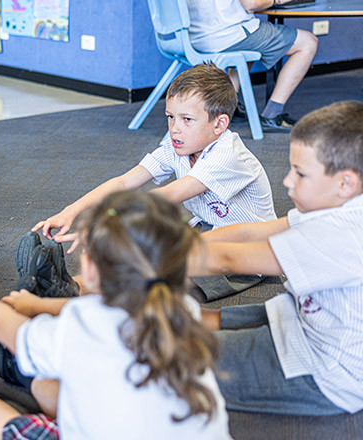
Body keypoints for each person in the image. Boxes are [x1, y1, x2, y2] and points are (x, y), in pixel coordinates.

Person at [0, 191, 232, 439]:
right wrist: (38, 306)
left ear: (89, 269)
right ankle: (26, 363)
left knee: (14, 428)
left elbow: (3, 323)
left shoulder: (81, 327)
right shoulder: (184, 311)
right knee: (68, 387)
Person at [33, 62, 275, 300]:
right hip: (208, 228)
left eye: (187, 119)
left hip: (250, 249)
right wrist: (70, 211)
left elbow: (167, 195)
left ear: (219, 124)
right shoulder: (178, 146)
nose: (175, 129)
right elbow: (123, 183)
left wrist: (102, 222)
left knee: (162, 274)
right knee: (145, 249)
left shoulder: (227, 154)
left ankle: (67, 290)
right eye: (170, 117)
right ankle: (62, 286)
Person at [190, 100, 363, 415]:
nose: (287, 182)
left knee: (159, 360)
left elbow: (228, 259)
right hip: (305, 320)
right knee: (194, 320)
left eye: (300, 174)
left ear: (345, 183)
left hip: (326, 374)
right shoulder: (340, 206)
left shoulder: (342, 232)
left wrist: (144, 257)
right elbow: (250, 233)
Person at [185, 0, 318, 131]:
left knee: (252, 38)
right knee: (308, 42)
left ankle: (226, 104)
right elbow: (251, 4)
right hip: (226, 34)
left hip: (193, 38)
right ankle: (272, 114)